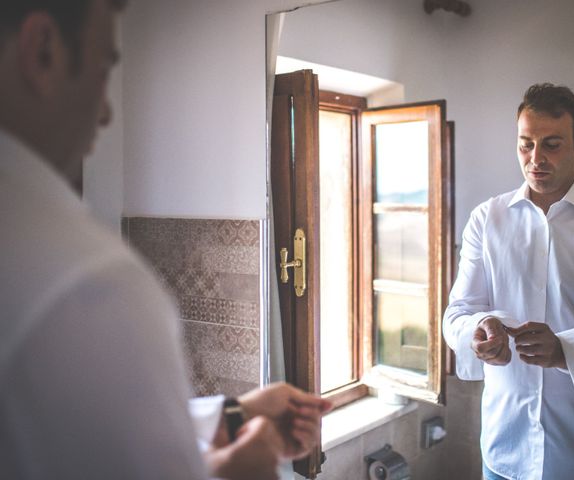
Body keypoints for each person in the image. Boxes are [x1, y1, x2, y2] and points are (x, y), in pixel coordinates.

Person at [0, 1, 330, 479]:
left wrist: (232, 416)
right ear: (44, 51)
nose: (109, 109)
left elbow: (78, 427)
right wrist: (244, 468)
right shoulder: (91, 284)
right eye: (102, 69)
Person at [443, 83, 574, 480]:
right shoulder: (487, 219)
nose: (536, 160)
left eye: (551, 144)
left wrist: (565, 354)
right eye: (525, 145)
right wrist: (477, 332)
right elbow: (458, 313)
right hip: (504, 454)